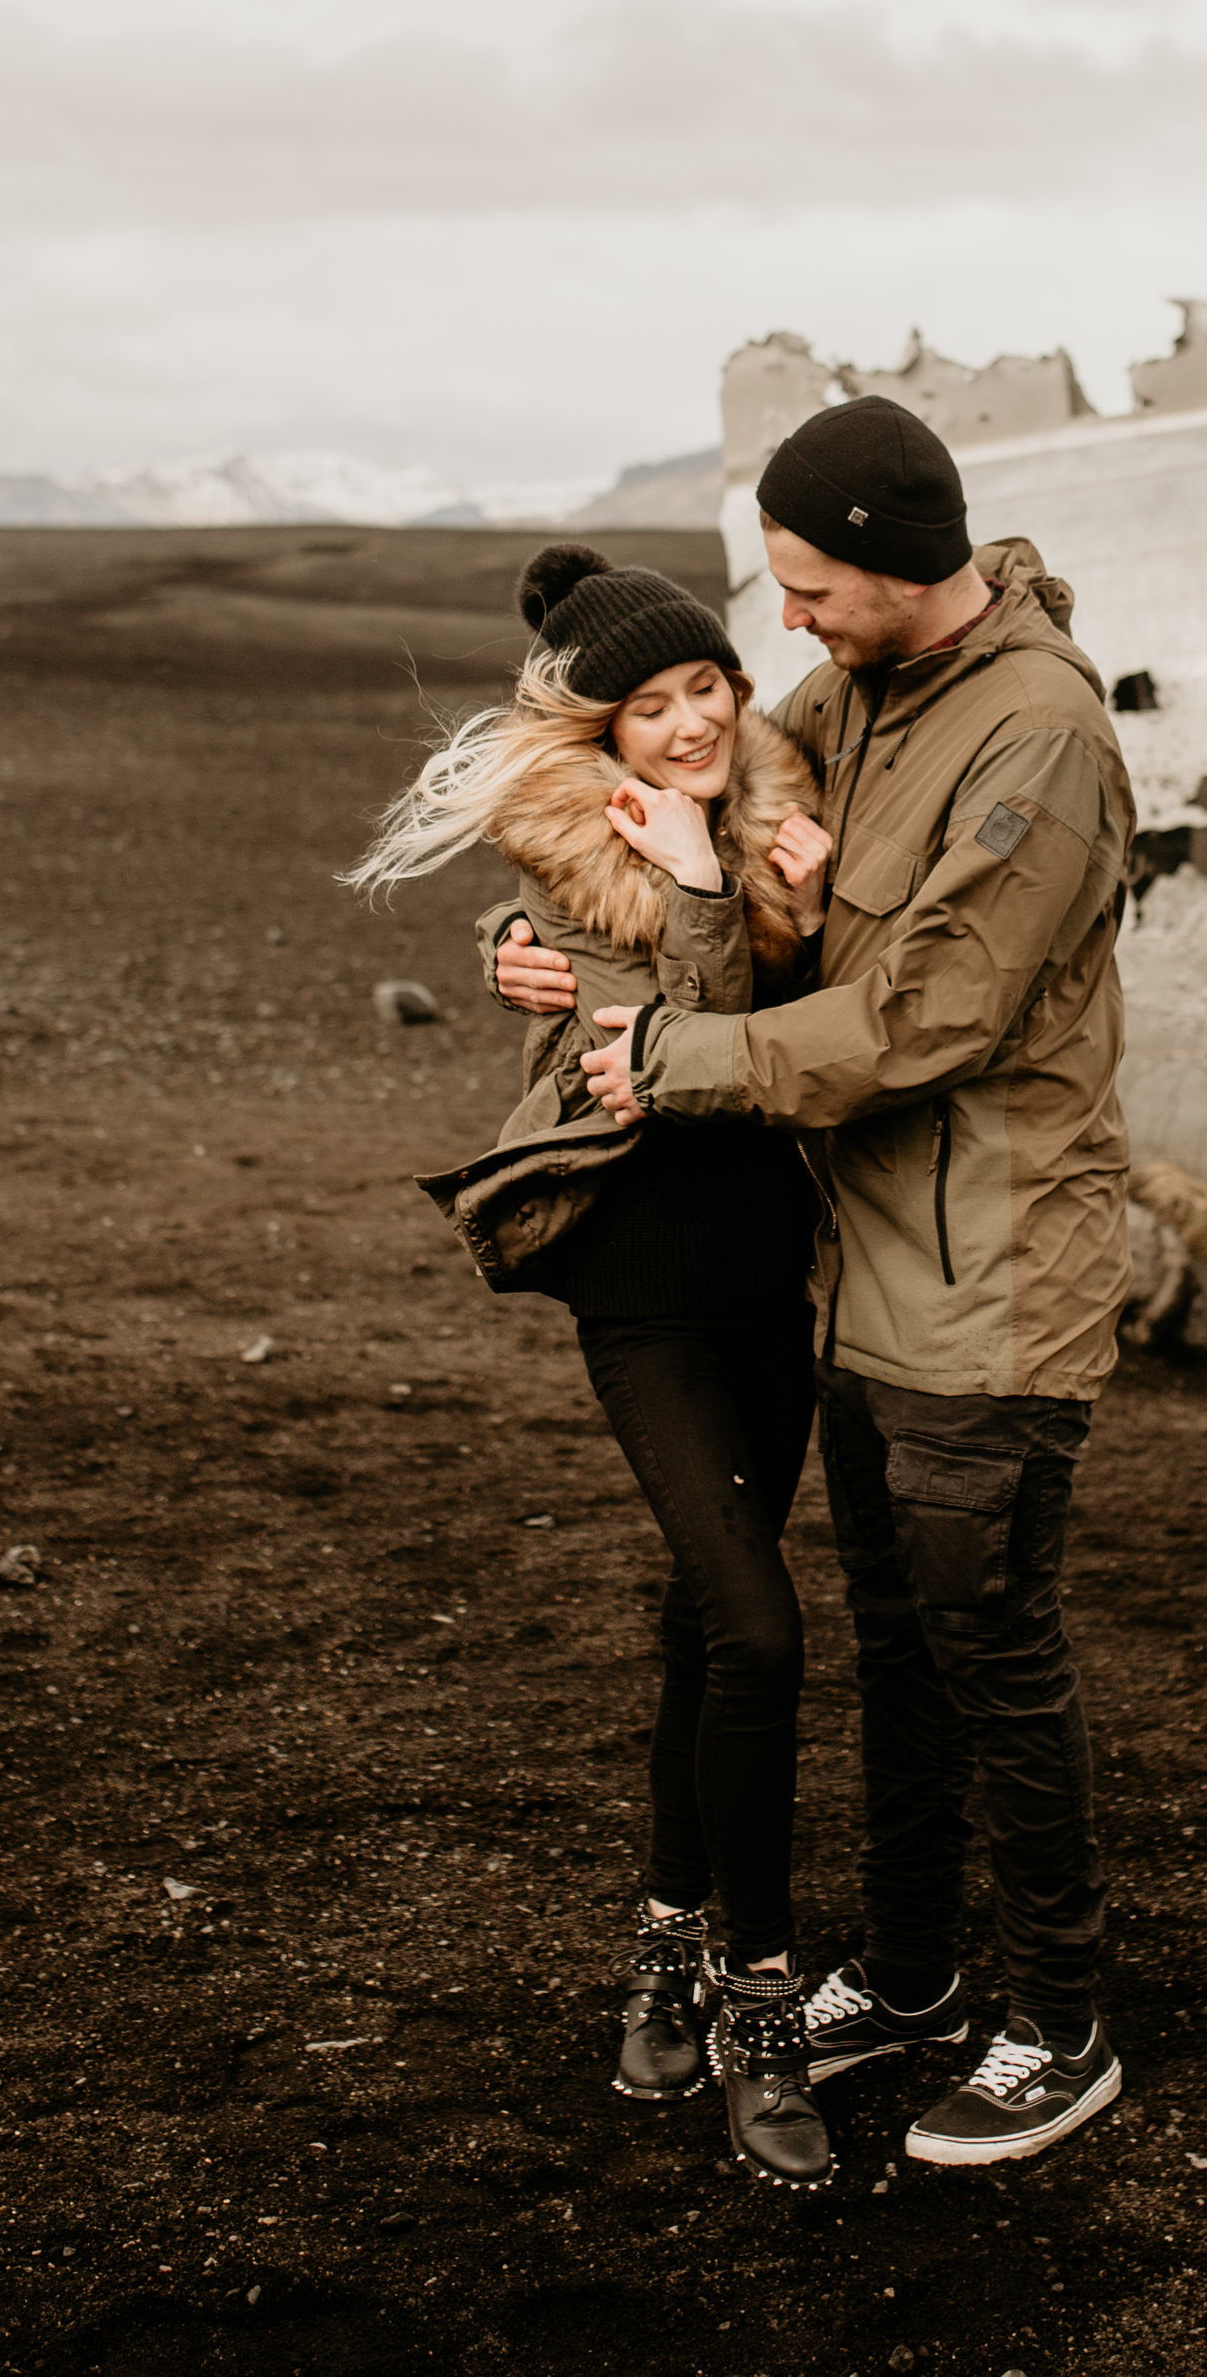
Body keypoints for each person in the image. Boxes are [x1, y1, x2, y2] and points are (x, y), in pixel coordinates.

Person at [493, 398, 1136, 2169]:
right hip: (861, 1267)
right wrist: (535, 933)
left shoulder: (1038, 734)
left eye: (805, 586)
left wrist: (667, 1056)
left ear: (886, 560)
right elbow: (656, 801)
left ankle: (1062, 2023)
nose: (784, 625)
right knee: (904, 1647)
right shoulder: (857, 698)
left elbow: (931, 1014)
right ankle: (921, 1973)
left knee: (994, 1648)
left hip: (993, 1277)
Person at [349, 542, 840, 2189]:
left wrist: (758, 849)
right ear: (600, 729)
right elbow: (669, 1048)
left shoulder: (774, 791)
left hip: (772, 1267)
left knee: (708, 1618)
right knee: (761, 1624)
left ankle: (663, 1939)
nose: (694, 718)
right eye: (654, 702)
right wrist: (698, 871)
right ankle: (756, 2008)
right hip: (640, 1276)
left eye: (707, 684)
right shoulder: (580, 851)